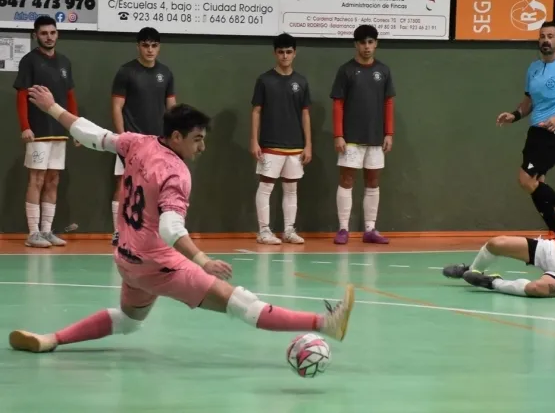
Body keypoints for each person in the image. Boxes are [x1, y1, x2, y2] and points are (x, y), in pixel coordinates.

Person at [8, 85, 354, 354]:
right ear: (176, 137)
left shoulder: (137, 142)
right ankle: (325, 323)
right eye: (197, 140)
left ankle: (51, 339)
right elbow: (170, 227)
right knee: (242, 303)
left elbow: (91, 135)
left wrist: (51, 107)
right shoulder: (176, 173)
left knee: (128, 321)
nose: (202, 147)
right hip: (159, 265)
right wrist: (203, 261)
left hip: (126, 260)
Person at [496, 22, 555, 240]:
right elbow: (529, 101)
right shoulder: (533, 68)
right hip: (535, 132)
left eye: (550, 36)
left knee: (525, 179)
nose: (546, 40)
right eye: (542, 36)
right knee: (537, 183)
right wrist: (515, 115)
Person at [13, 16, 78, 248]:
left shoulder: (65, 62)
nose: (49, 37)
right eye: (44, 33)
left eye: (52, 32)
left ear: (57, 34)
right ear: (35, 36)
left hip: (59, 131)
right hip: (38, 131)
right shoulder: (29, 61)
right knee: (37, 179)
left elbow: (70, 97)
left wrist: (75, 128)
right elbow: (22, 95)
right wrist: (25, 126)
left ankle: (46, 230)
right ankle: (33, 234)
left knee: (53, 180)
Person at [110, 27, 176, 246]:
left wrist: (172, 137)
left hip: (158, 142)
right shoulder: (126, 72)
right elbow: (117, 107)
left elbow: (172, 108)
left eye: (154, 45)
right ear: (138, 46)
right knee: (124, 184)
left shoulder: (165, 73)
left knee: (156, 187)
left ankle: (151, 233)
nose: (150, 50)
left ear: (159, 47)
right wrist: (122, 138)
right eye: (145, 45)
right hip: (132, 140)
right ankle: (119, 232)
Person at [330, 24, 395, 245]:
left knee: (373, 181)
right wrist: (338, 134)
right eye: (362, 42)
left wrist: (389, 133)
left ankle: (370, 229)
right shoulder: (346, 70)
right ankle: (343, 229)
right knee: (346, 180)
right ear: (356, 44)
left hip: (376, 137)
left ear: (376, 44)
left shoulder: (383, 71)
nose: (366, 47)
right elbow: (338, 104)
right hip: (350, 138)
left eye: (370, 42)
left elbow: (388, 103)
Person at [250, 33, 312, 245]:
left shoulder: (301, 82)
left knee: (291, 189)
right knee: (266, 186)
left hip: (295, 146)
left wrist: (308, 145)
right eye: (281, 52)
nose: (285, 56)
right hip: (270, 144)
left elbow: (305, 114)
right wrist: (254, 141)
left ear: (295, 53)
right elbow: (256, 111)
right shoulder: (264, 80)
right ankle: (264, 231)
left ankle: (289, 231)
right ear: (274, 54)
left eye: (288, 52)